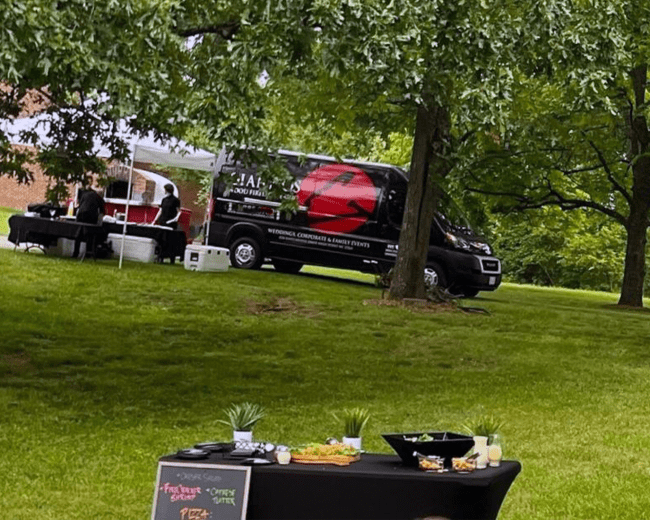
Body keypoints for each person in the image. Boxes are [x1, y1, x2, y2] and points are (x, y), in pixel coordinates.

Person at [153, 183, 181, 264]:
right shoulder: (164, 200)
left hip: (170, 223)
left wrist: (175, 220)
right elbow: (160, 211)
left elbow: (179, 212)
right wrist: (155, 220)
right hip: (163, 221)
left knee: (169, 240)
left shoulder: (176, 200)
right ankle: (160, 257)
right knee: (161, 239)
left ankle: (171, 258)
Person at [73, 188, 105, 258]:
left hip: (81, 215)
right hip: (91, 216)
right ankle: (88, 253)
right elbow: (103, 211)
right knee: (90, 235)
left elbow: (80, 205)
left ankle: (75, 253)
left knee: (78, 234)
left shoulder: (85, 195)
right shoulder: (99, 197)